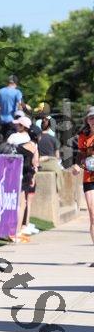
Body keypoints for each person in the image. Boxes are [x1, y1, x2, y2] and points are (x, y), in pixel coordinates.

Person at [72, 107, 94, 264]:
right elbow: (81, 154)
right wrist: (77, 165)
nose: (93, 120)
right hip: (89, 178)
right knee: (93, 215)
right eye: (91, 118)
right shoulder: (83, 136)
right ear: (87, 120)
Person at [0, 75, 23, 140]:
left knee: (4, 139)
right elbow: (20, 105)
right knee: (12, 139)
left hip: (2, 120)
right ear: (15, 83)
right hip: (12, 120)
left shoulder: (0, 91)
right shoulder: (17, 92)